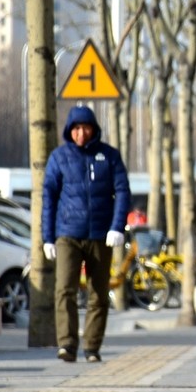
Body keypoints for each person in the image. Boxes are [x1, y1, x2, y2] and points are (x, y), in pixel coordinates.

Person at [42, 105, 131, 363]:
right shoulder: (58, 158)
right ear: (70, 130)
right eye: (76, 128)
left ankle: (92, 346)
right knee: (65, 290)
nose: (81, 133)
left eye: (85, 128)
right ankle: (67, 345)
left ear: (93, 129)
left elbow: (122, 191)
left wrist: (117, 226)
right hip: (68, 234)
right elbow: (48, 198)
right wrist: (48, 238)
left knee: (99, 293)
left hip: (101, 235)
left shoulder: (109, 156)